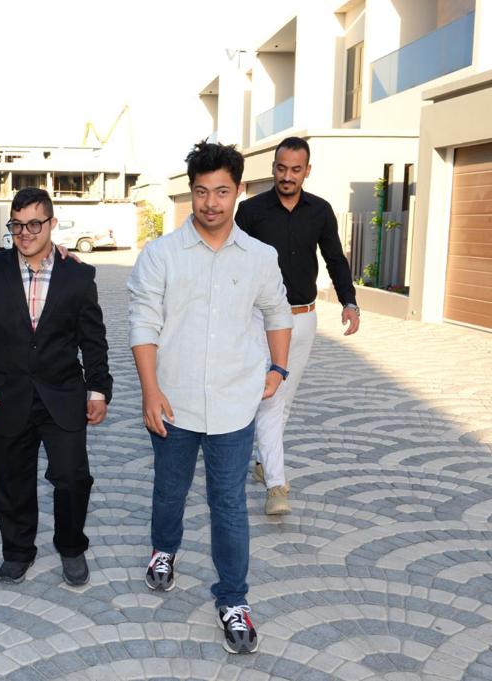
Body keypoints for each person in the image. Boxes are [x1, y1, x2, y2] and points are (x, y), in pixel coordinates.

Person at [128, 141, 292, 654]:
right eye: (201, 192)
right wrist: (150, 391)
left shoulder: (261, 256)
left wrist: (278, 368)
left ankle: (233, 599)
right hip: (173, 403)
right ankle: (164, 549)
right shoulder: (161, 255)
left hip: (233, 405)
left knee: (229, 504)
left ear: (238, 191)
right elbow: (143, 323)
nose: (211, 203)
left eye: (222, 191)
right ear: (191, 193)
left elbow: (278, 313)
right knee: (169, 491)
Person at [0, 187, 112, 587]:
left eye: (33, 224)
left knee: (72, 478)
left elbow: (93, 339)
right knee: (11, 478)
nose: (24, 233)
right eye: (16, 225)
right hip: (5, 395)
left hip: (63, 394)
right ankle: (17, 550)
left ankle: (71, 546)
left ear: (52, 224)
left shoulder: (78, 275)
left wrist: (98, 389)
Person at [235, 136, 360, 515]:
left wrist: (349, 302)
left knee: (283, 401)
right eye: (281, 168)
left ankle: (264, 461)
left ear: (307, 171)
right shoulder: (250, 211)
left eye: (295, 169)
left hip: (303, 318)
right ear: (273, 168)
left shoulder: (320, 211)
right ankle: (276, 485)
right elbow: (229, 259)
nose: (287, 176)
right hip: (261, 319)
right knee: (271, 400)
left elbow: (335, 259)